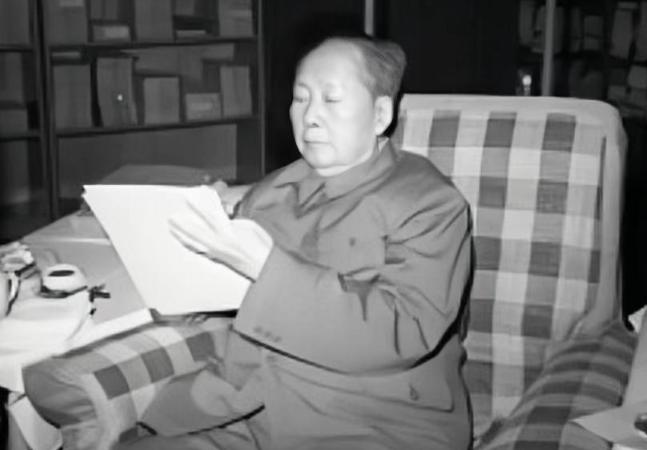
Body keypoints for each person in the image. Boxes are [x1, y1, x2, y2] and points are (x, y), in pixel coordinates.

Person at [117, 34, 473, 450]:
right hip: (248, 411)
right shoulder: (268, 194)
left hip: (375, 422)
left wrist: (264, 267)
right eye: (300, 98)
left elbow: (405, 329)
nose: (310, 116)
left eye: (331, 99)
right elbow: (231, 292)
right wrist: (190, 276)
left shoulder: (430, 205)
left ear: (380, 114)